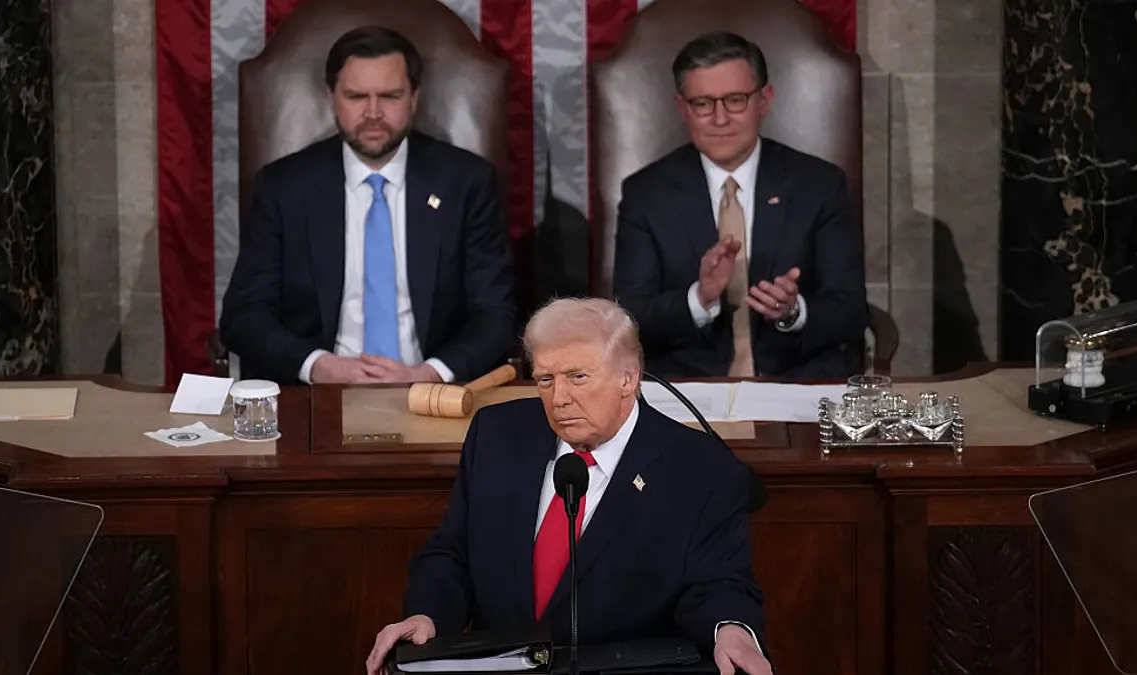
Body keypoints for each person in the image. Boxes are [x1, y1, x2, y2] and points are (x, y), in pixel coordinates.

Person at [365, 297, 774, 675]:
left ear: (628, 379)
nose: (559, 398)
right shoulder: (496, 436)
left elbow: (720, 584)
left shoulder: (700, 469)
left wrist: (732, 629)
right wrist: (427, 614)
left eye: (578, 377)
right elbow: (451, 554)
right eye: (545, 379)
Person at [219, 26, 517, 386]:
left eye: (390, 96)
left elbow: (496, 313)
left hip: (433, 394)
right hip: (320, 398)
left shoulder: (466, 182)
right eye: (357, 96)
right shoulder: (285, 187)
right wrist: (316, 366)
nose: (373, 113)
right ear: (332, 97)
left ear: (414, 98)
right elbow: (244, 315)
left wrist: (431, 374)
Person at [613, 31, 868, 380]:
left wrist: (793, 312)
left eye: (735, 100)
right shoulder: (647, 193)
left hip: (797, 379)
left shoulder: (819, 185)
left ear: (765, 99)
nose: (720, 119)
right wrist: (698, 298)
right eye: (703, 103)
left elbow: (850, 309)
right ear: (682, 108)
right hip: (688, 387)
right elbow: (630, 317)